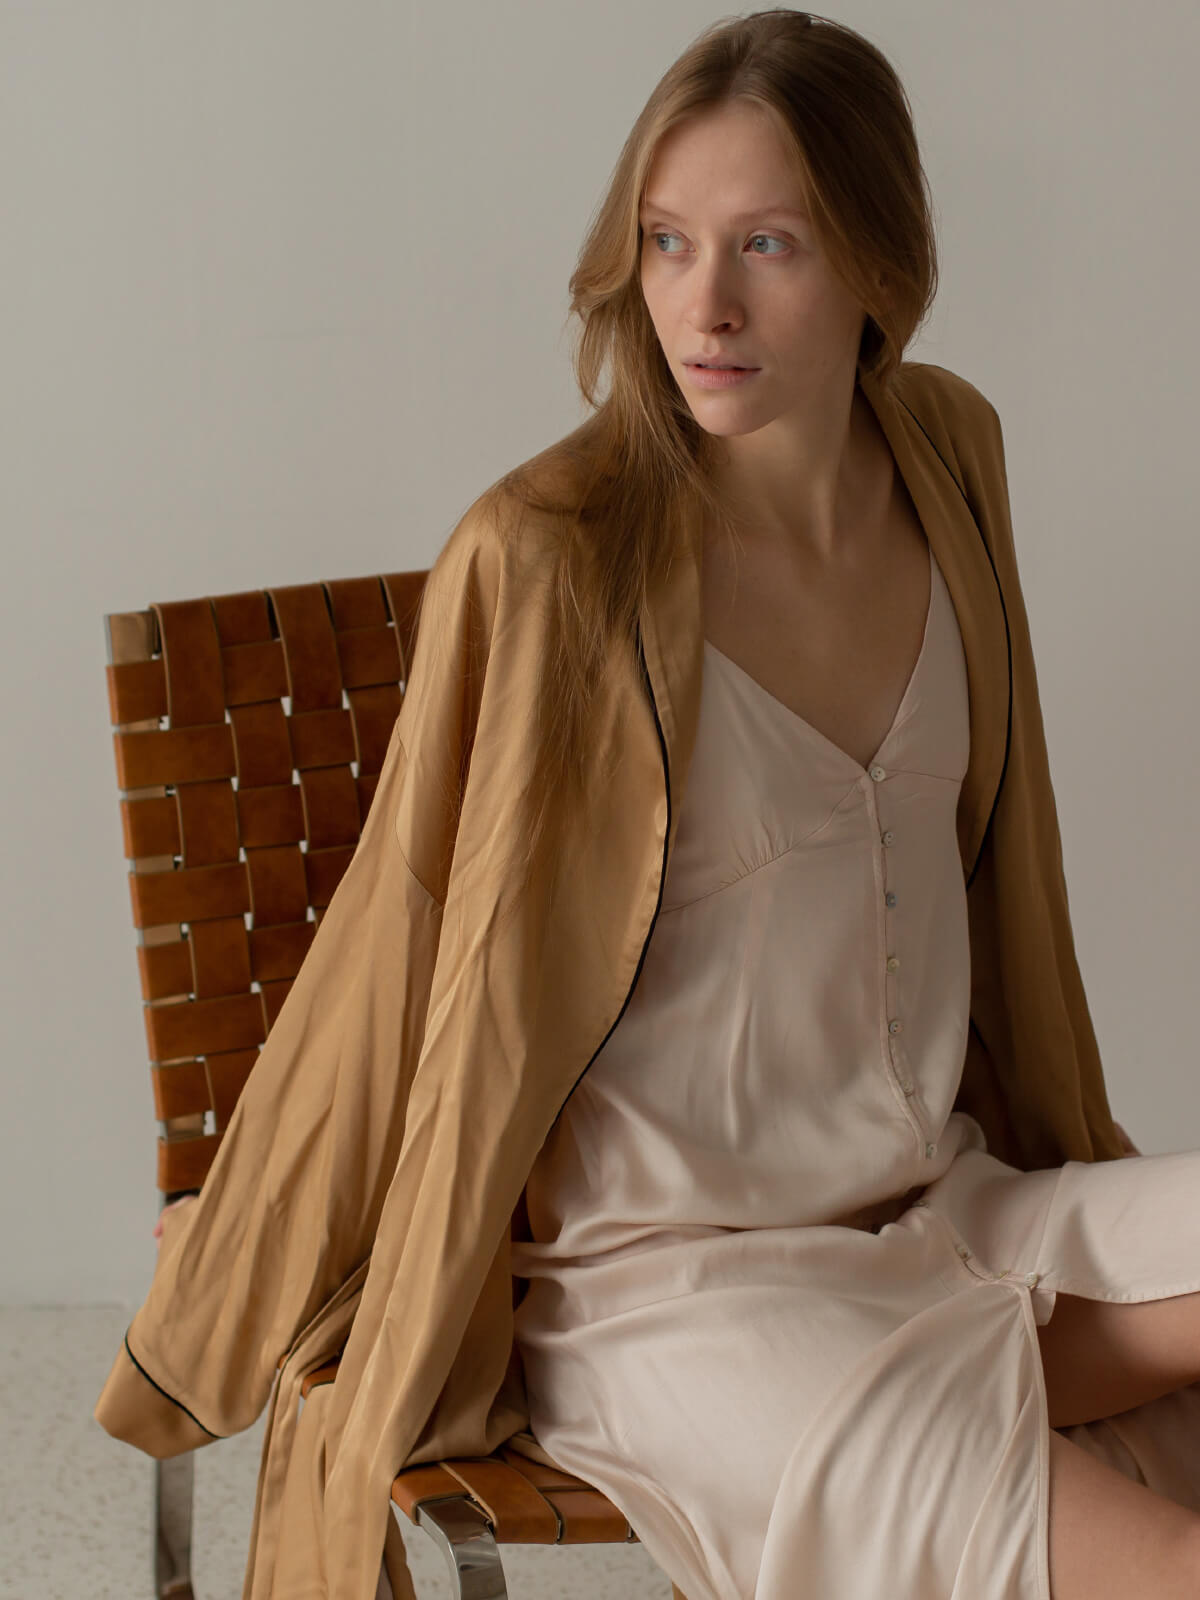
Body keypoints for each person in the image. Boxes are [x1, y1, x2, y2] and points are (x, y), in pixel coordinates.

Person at [102, 12, 1200, 1600]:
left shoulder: (949, 459)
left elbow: (999, 877)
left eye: (769, 244)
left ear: (883, 266)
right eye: (668, 243)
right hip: (685, 1298)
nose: (705, 303)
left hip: (949, 1209)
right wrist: (232, 1246)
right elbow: (408, 933)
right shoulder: (555, 556)